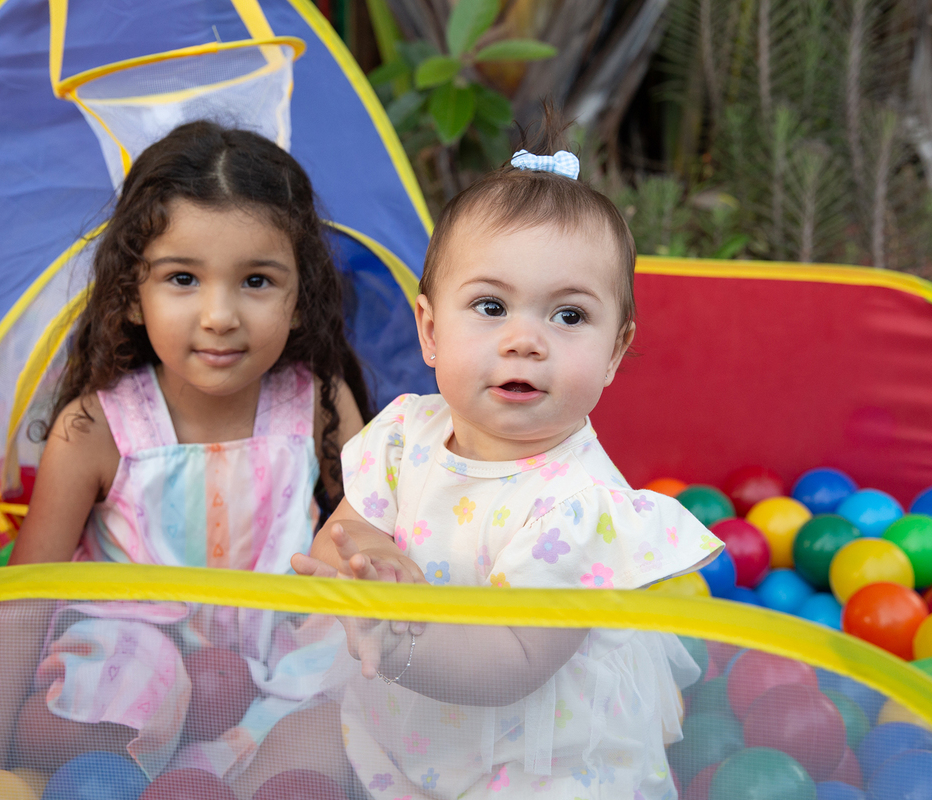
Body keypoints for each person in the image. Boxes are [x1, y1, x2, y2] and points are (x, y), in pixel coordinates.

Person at [293, 121, 724, 798]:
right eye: (491, 306)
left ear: (615, 352)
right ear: (431, 331)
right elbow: (340, 533)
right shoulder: (405, 435)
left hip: (535, 755)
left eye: (570, 317)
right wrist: (371, 563)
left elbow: (510, 664)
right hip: (405, 721)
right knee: (294, 739)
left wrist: (396, 636)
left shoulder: (581, 504)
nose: (525, 340)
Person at [0, 120, 368, 797]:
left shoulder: (318, 402)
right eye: (183, 278)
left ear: (301, 301)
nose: (219, 315)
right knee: (139, 684)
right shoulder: (98, 427)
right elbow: (23, 600)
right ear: (129, 295)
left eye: (257, 282)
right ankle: (116, 751)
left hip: (270, 662)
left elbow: (370, 538)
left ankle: (230, 781)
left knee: (354, 697)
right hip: (135, 663)